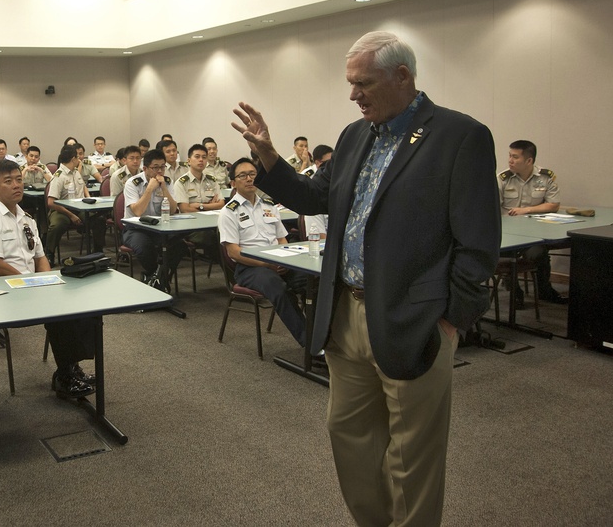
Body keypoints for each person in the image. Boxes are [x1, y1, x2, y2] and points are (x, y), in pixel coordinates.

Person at [232, 31, 500, 527]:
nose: (353, 95)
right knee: (349, 438)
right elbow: (315, 199)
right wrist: (268, 154)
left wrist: (452, 322)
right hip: (346, 314)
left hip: (413, 319)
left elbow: (479, 243)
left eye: (363, 83)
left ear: (403, 77)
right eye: (350, 83)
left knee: (411, 459)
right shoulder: (355, 135)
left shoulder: (459, 137)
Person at [0, 160, 96, 399]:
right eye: (8, 181)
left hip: (29, 290)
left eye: (19, 179)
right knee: (61, 312)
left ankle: (71, 368)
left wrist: (47, 281)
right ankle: (65, 375)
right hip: (1, 295)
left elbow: (40, 257)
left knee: (79, 303)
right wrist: (31, 284)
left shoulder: (26, 217)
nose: (17, 185)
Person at [218, 158, 307, 347]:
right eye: (243, 175)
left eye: (252, 174)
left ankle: (326, 337)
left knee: (309, 280)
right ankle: (310, 344)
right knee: (278, 288)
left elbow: (282, 238)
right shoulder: (228, 212)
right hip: (249, 267)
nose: (249, 179)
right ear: (233, 183)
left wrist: (283, 260)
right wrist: (267, 264)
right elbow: (234, 252)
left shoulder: (269, 205)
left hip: (277, 261)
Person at [498, 139, 567, 304]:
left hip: (534, 232)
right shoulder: (503, 178)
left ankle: (544, 290)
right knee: (506, 254)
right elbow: (492, 207)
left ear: (529, 161)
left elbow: (553, 204)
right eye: (509, 156)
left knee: (539, 253)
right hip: (508, 232)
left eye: (515, 157)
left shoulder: (545, 177)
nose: (510, 161)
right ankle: (514, 289)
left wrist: (526, 210)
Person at [122, 148, 185, 290]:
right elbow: (138, 211)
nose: (160, 171)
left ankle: (159, 277)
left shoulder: (167, 182)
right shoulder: (133, 183)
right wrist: (149, 189)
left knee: (180, 245)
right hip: (135, 229)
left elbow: (173, 210)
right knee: (144, 247)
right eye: (155, 167)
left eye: (162, 167)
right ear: (145, 168)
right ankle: (157, 277)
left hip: (159, 229)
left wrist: (164, 189)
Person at [45, 145, 105, 264]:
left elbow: (82, 186)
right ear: (73, 159)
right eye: (78, 157)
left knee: (99, 220)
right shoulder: (59, 176)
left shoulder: (75, 172)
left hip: (79, 208)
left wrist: (89, 199)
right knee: (57, 225)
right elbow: (51, 202)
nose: (79, 159)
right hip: (61, 210)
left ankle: (98, 252)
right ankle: (49, 254)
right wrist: (71, 215)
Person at [174, 144, 224, 213]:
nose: (201, 160)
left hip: (211, 220)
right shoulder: (181, 183)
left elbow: (221, 204)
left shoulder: (212, 181)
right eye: (197, 157)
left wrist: (200, 206)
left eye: (204, 157)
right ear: (189, 161)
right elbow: (184, 209)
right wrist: (211, 207)